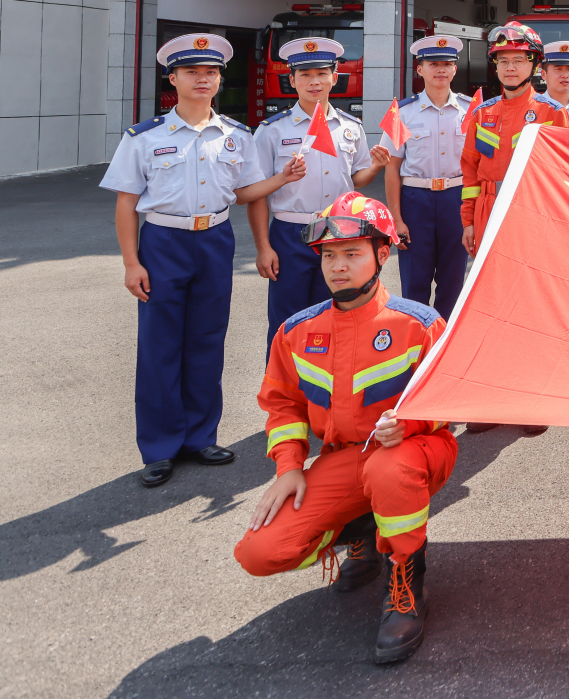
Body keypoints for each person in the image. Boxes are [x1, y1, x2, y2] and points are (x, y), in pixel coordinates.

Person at [233, 193, 457, 666]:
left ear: (382, 254)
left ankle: (406, 585)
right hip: (344, 459)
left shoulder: (419, 325)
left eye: (352, 253)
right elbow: (281, 405)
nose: (338, 266)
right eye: (329, 255)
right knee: (259, 552)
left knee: (389, 470)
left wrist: (411, 423)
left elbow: (450, 400)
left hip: (414, 452)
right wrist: (289, 468)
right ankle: (360, 526)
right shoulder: (295, 333)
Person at [101, 34, 304, 488]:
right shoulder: (144, 137)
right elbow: (126, 203)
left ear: (219, 79)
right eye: (191, 71)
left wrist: (282, 178)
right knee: (159, 345)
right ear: (172, 79)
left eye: (210, 72)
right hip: (164, 242)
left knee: (208, 340)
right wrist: (131, 263)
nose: (202, 79)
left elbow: (244, 193)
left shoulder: (235, 135)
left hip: (214, 239)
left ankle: (200, 437)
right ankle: (159, 447)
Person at [250, 37, 386, 343]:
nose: (314, 82)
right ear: (292, 80)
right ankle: (283, 375)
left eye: (322, 74)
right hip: (290, 233)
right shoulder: (273, 130)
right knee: (286, 321)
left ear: (334, 78)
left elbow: (356, 178)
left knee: (337, 314)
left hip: (338, 232)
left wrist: (376, 167)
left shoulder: (351, 127)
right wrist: (263, 247)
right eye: (305, 75)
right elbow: (256, 192)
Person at [376, 35, 472, 320]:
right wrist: (396, 219)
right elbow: (392, 168)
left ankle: (444, 340)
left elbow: (477, 167)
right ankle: (416, 338)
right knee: (415, 279)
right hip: (415, 201)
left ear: (455, 69)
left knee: (453, 280)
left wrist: (474, 216)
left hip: (456, 199)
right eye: (433, 64)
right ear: (420, 69)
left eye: (447, 64)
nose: (441, 69)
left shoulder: (471, 111)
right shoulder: (401, 112)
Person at [459, 23, 569, 254]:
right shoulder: (482, 114)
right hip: (487, 210)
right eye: (503, 61)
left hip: (533, 211)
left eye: (518, 60)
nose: (510, 68)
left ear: (535, 65)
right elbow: (470, 172)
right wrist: (468, 221)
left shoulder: (553, 113)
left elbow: (565, 176)